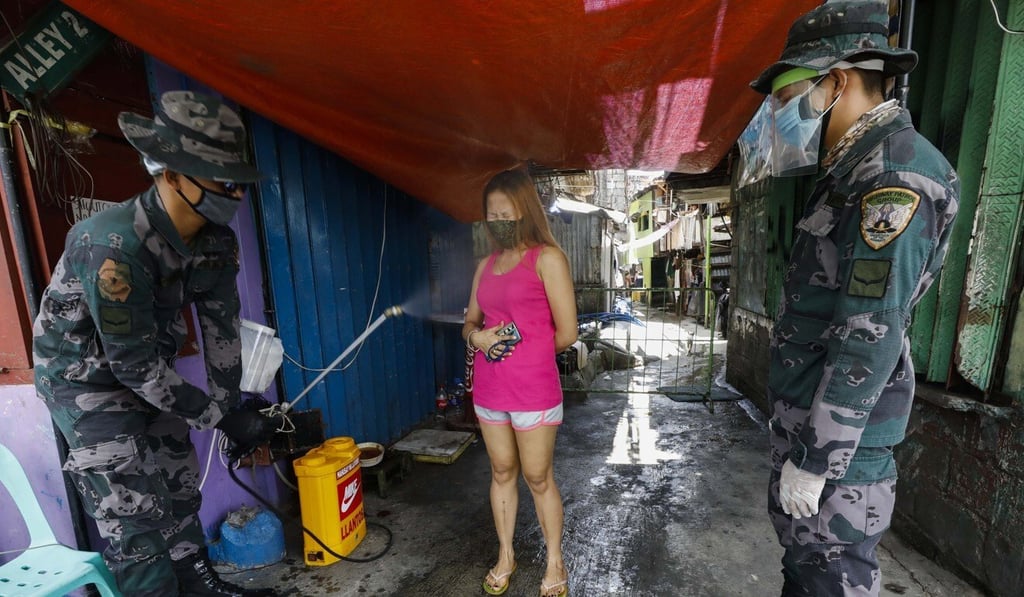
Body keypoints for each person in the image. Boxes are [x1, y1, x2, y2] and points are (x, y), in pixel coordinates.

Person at [33, 91, 280, 597]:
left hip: (151, 374)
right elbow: (132, 367)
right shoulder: (112, 244)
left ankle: (196, 582)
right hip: (86, 386)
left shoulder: (214, 240)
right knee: (135, 522)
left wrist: (232, 408)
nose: (232, 195)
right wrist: (216, 416)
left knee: (177, 484)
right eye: (219, 182)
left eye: (237, 184)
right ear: (169, 174)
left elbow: (221, 330)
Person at [749, 1, 959, 595]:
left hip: (838, 457)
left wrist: (817, 462)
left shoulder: (894, 179)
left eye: (787, 98)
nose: (780, 115)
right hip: (813, 437)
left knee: (830, 579)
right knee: (806, 574)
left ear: (836, 81)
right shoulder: (852, 170)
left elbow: (869, 335)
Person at [462, 169, 577, 597]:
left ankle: (554, 560)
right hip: (490, 392)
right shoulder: (484, 266)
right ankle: (506, 554)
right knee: (501, 470)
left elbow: (567, 333)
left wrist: (523, 351)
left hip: (533, 391)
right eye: (491, 214)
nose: (498, 220)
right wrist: (479, 338)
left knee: (538, 477)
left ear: (524, 210)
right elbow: (470, 321)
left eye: (505, 212)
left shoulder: (548, 258)